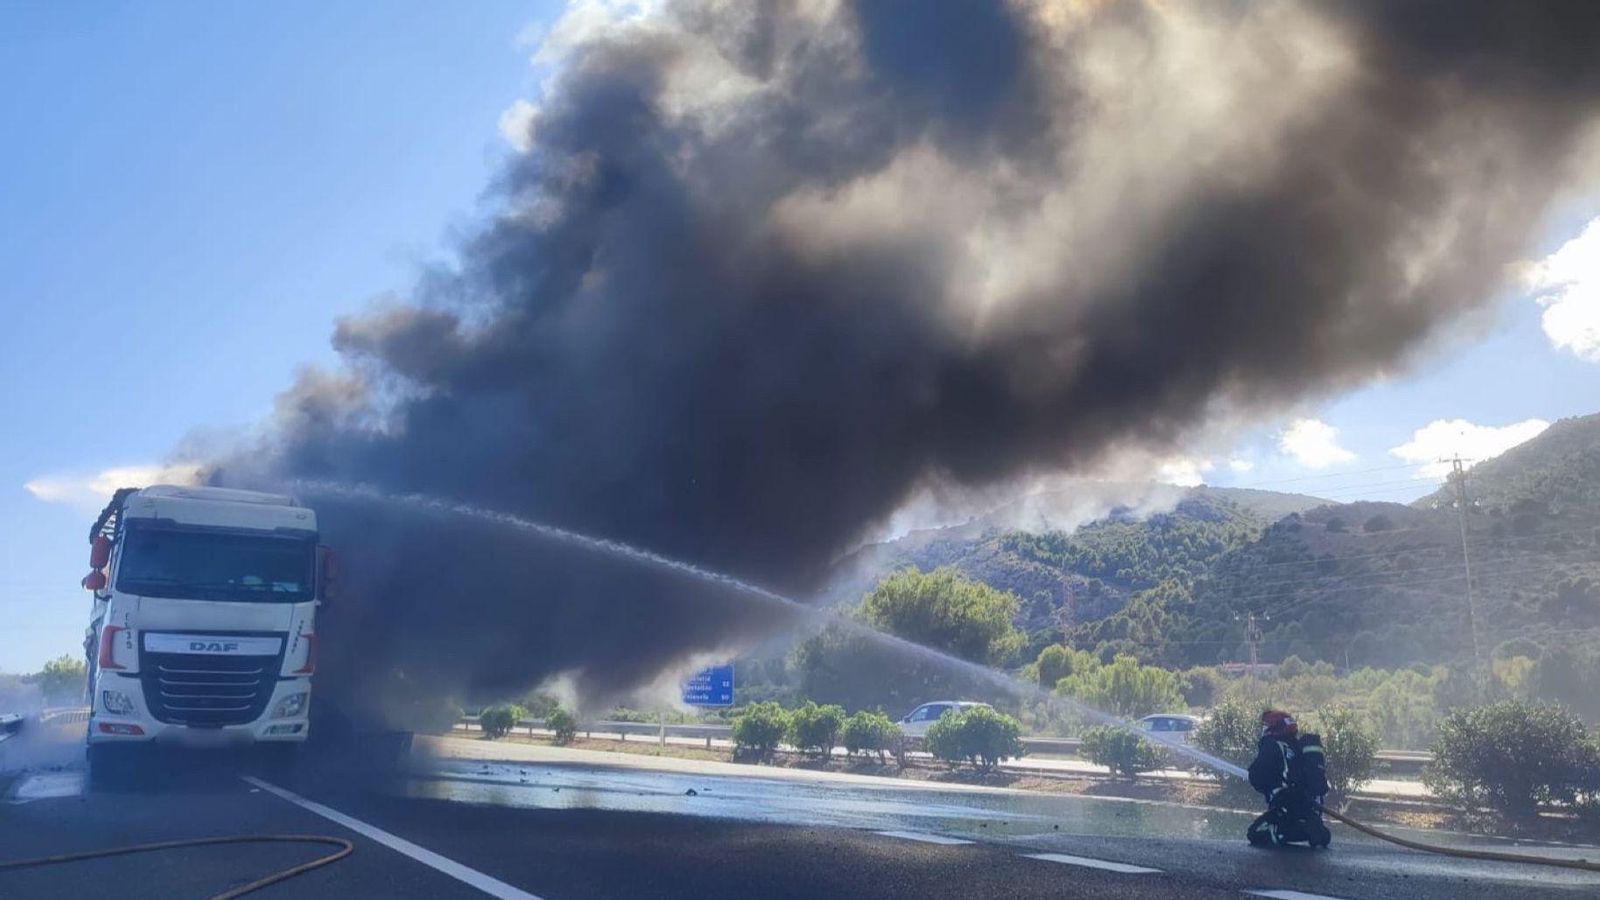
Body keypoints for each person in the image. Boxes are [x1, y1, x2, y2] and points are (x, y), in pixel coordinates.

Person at [1246, 709, 1332, 848]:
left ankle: (1294, 830)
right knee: (1302, 821)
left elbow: (1256, 776)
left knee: (1255, 833)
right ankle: (1316, 830)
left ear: (1274, 728)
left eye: (1265, 727)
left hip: (1287, 807)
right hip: (1311, 808)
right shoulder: (1299, 748)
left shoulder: (1272, 745)